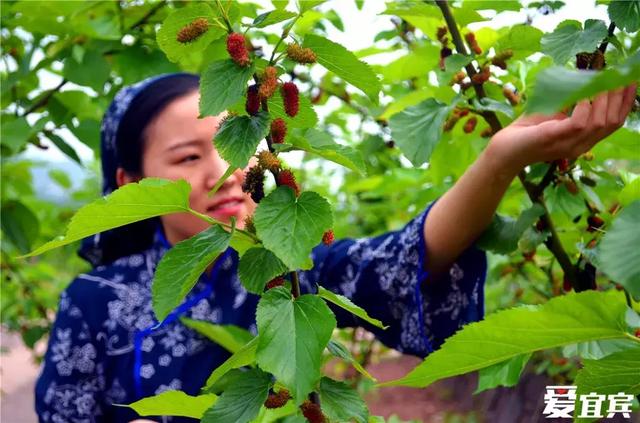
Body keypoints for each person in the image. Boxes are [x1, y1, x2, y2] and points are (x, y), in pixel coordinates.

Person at [34, 72, 636, 422]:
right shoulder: (95, 300)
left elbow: (408, 257)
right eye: (187, 158)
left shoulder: (294, 270)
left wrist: (499, 158)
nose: (222, 173)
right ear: (131, 185)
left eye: (233, 146)